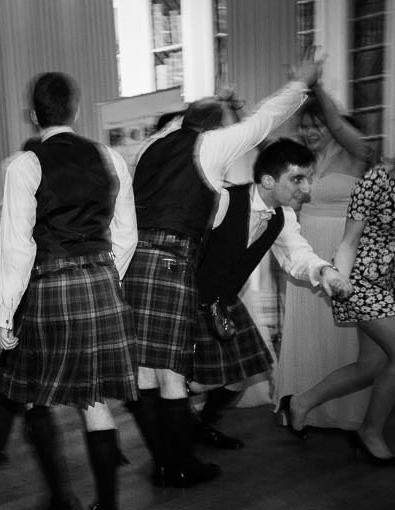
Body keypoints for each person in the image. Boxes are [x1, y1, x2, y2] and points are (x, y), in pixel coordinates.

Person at [122, 61, 321, 485]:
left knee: (145, 374)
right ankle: (180, 466)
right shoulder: (207, 144)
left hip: (137, 260)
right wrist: (301, 83)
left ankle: (166, 463)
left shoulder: (152, 146)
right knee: (171, 375)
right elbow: (264, 120)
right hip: (171, 260)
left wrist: (216, 101)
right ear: (215, 129)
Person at [0, 72, 138, 510]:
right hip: (101, 281)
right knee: (94, 400)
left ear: (35, 114)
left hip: (49, 286)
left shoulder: (25, 165)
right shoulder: (109, 157)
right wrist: (106, 275)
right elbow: (127, 234)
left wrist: (5, 312)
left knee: (35, 394)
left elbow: (16, 247)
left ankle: (61, 500)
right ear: (75, 110)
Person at [189, 140, 353, 442]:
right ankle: (177, 422)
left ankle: (199, 426)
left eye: (308, 179)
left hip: (222, 301)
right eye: (297, 179)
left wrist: (324, 271)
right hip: (189, 299)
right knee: (195, 382)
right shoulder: (224, 200)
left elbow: (297, 254)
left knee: (241, 374)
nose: (306, 189)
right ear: (268, 181)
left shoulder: (282, 216)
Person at [285, 134, 395, 464]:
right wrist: (340, 279)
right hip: (363, 279)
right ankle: (370, 432)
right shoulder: (375, 181)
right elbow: (349, 241)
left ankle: (300, 402)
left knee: (370, 367)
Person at [273, 88, 375, 430]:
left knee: (344, 331)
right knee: (310, 329)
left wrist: (315, 87)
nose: (309, 131)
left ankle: (342, 410)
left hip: (345, 249)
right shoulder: (303, 161)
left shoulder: (355, 154)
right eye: (304, 125)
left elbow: (336, 122)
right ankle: (303, 402)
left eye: (317, 124)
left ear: (333, 125)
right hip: (309, 248)